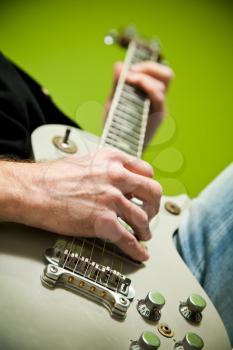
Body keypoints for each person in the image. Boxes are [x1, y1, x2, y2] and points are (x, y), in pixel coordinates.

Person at [0, 52, 232, 344]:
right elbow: (47, 183)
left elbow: (81, 193)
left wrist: (123, 168)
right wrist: (35, 185)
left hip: (154, 284)